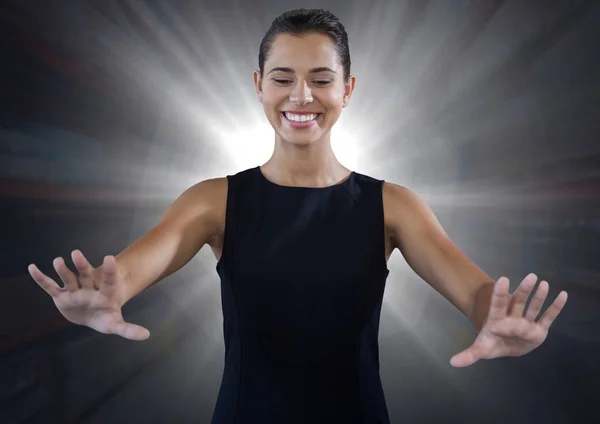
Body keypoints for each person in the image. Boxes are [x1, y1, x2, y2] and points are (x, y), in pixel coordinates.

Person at [28, 8, 568, 424]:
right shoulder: (213, 200)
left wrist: (495, 318)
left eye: (321, 78)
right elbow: (132, 269)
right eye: (283, 77)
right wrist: (106, 293)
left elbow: (473, 290)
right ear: (258, 84)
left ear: (348, 89)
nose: (301, 95)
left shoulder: (393, 205)